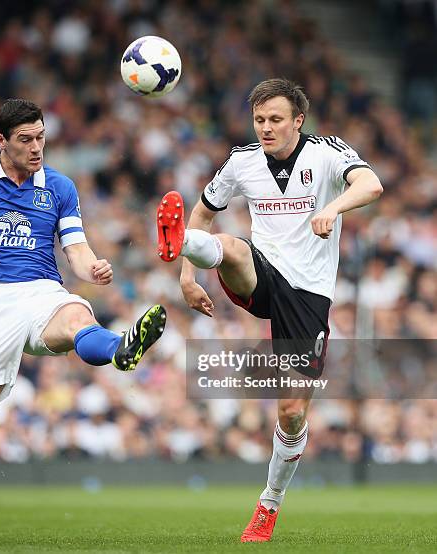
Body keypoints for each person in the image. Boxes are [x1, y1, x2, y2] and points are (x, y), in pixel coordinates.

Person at [0, 99, 166, 543]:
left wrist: (93, 267)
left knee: (78, 315)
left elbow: (75, 249)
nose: (37, 147)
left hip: (43, 290)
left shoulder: (58, 186)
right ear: (1, 141)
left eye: (41, 137)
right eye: (26, 139)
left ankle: (119, 349)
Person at [157, 78, 382, 543]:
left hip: (308, 293)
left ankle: (269, 504)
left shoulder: (326, 153)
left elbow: (371, 183)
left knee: (292, 411)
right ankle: (179, 243)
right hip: (261, 273)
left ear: (298, 121)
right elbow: (202, 209)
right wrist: (185, 275)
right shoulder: (242, 162)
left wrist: (333, 208)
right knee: (234, 249)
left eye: (275, 119)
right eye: (259, 119)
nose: (266, 127)